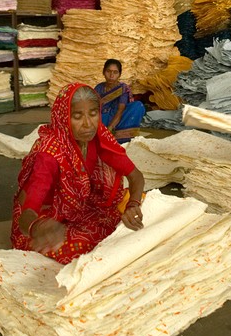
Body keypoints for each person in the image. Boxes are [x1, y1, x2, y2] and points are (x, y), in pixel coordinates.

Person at [11, 82, 145, 265]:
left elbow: (136, 176)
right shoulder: (50, 153)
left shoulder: (99, 137)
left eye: (93, 114)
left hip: (82, 208)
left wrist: (133, 205)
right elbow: (28, 212)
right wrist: (39, 228)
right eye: (77, 116)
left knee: (130, 223)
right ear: (63, 117)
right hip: (44, 221)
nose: (88, 124)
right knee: (86, 249)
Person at [94, 59, 146, 144]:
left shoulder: (122, 88)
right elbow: (93, 107)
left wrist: (110, 128)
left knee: (138, 106)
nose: (111, 75)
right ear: (103, 72)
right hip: (102, 118)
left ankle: (121, 136)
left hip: (117, 118)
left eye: (115, 72)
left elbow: (121, 110)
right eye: (108, 71)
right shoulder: (99, 88)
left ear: (119, 75)